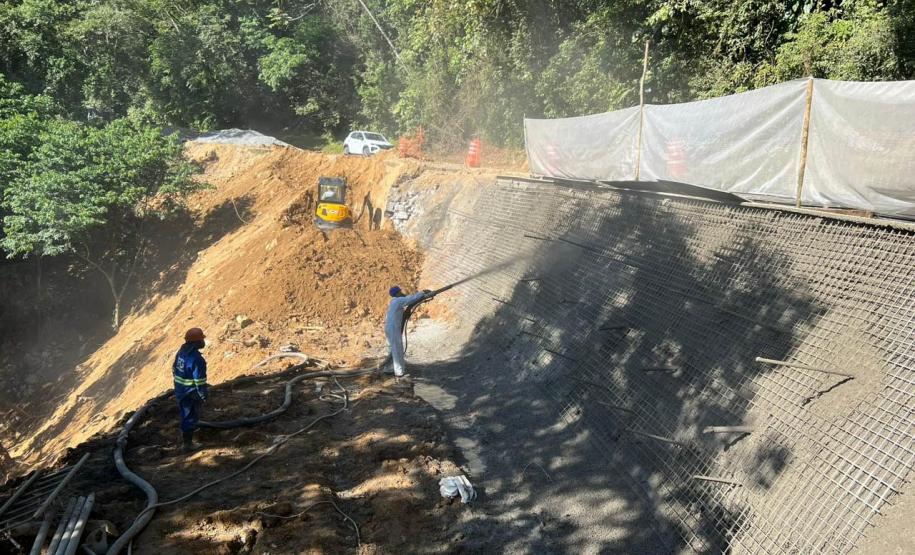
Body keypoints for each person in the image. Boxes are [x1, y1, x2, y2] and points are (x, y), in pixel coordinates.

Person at [173, 327, 208, 452]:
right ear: (196, 342)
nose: (203, 342)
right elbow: (200, 381)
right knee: (189, 416)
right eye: (201, 339)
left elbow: (174, 369)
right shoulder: (197, 359)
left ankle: (189, 434)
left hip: (180, 390)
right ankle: (188, 444)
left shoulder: (181, 352)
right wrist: (203, 395)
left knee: (185, 414)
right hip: (190, 393)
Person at [384, 285, 431, 377]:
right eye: (400, 291)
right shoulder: (398, 300)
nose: (402, 293)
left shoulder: (393, 302)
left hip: (389, 328)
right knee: (397, 349)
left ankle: (388, 369)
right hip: (393, 328)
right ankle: (399, 372)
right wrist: (423, 292)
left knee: (393, 349)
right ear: (397, 293)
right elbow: (411, 299)